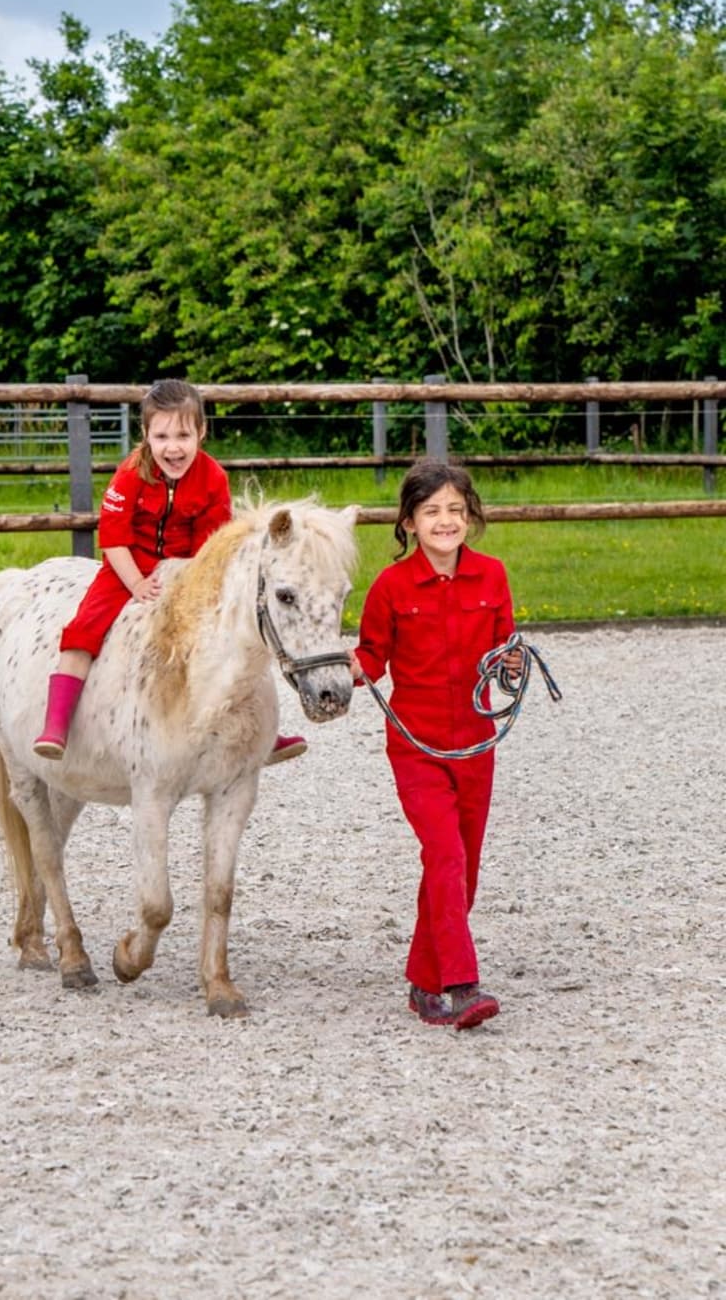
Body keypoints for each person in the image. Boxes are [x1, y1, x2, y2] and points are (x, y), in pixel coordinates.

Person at [33, 378, 307, 765]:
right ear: (146, 435)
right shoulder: (131, 473)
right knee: (84, 629)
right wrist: (136, 583)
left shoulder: (213, 478)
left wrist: (190, 591)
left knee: (233, 633)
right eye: (161, 436)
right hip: (128, 565)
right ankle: (56, 724)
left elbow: (210, 547)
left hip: (188, 569)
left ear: (201, 433)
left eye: (183, 435)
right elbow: (113, 539)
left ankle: (258, 729)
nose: (173, 447)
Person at [350, 459, 520, 1031]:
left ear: (470, 516)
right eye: (431, 512)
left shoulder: (492, 576)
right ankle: (461, 985)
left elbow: (503, 649)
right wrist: (349, 668)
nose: (445, 521)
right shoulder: (391, 587)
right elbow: (373, 656)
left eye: (455, 510)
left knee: (461, 868)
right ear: (409, 522)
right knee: (444, 855)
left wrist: (511, 664)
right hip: (416, 746)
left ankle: (424, 981)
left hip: (476, 745)